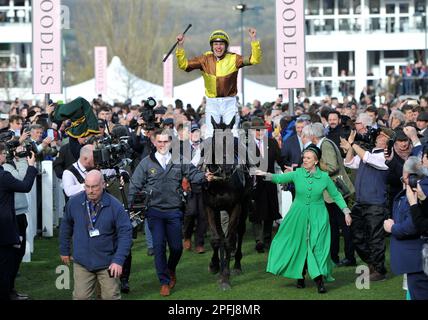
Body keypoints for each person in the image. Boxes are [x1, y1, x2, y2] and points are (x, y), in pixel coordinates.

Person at [128, 129, 213, 297]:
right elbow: (135, 184)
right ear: (154, 142)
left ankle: (171, 269)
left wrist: (204, 177)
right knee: (159, 246)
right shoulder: (146, 163)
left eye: (165, 141)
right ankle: (164, 282)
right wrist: (131, 204)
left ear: (171, 142)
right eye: (159, 141)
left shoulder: (179, 160)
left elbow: (193, 173)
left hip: (174, 211)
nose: (162, 145)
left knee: (176, 248)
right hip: (154, 212)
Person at [255, 145, 352, 294]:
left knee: (317, 247)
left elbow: (336, 195)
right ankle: (300, 275)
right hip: (297, 215)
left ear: (316, 161)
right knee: (298, 245)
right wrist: (264, 174)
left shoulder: (325, 177)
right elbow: (279, 178)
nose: (304, 160)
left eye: (308, 158)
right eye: (304, 158)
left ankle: (319, 280)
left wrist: (346, 211)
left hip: (318, 215)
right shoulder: (297, 173)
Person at [59, 170, 133, 300]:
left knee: (110, 296)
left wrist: (118, 260)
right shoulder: (74, 203)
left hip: (108, 262)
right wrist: (64, 250)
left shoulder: (115, 206)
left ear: (103, 184)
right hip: (82, 261)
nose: (90, 190)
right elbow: (66, 226)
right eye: (87, 186)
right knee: (81, 297)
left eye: (94, 187)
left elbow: (125, 234)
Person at [176, 28, 262, 138]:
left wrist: (254, 40)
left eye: (221, 44)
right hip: (212, 103)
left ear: (226, 46)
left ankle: (237, 154)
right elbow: (183, 65)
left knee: (234, 134)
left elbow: (255, 59)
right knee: (209, 135)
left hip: (229, 102)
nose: (218, 47)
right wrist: (180, 46)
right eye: (216, 44)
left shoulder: (234, 58)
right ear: (212, 46)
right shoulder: (204, 59)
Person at [340, 127, 395, 281]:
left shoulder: (387, 155)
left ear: (389, 141)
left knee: (375, 238)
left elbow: (366, 158)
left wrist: (354, 144)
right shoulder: (368, 152)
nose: (379, 137)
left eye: (384, 136)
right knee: (356, 236)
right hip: (360, 202)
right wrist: (351, 147)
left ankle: (379, 270)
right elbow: (349, 162)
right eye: (380, 135)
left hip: (376, 203)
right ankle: (372, 263)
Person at [0, 143, 37, 300]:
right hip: (5, 227)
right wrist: (30, 166)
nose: (5, 155)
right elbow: (25, 186)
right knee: (5, 266)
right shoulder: (4, 176)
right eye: (3, 152)